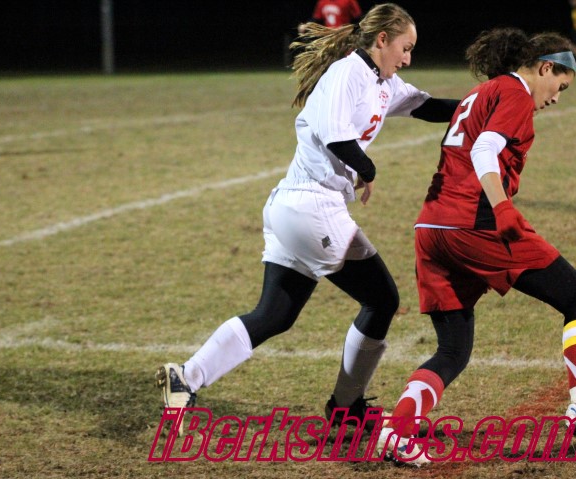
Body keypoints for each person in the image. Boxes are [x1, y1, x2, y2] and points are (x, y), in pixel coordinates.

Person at [156, 3, 459, 435]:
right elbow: (334, 136)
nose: (408, 59)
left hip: (296, 210)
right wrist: (367, 170)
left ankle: (186, 377)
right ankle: (346, 408)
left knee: (274, 314)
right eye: (405, 48)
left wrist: (482, 104)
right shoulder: (347, 73)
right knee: (381, 300)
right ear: (382, 40)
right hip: (312, 208)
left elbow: (426, 105)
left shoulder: (382, 82)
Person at [376, 27, 576, 464]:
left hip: (431, 228)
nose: (556, 98)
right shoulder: (514, 92)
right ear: (544, 68)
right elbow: (484, 149)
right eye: (560, 86)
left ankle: (396, 433)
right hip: (475, 225)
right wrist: (503, 208)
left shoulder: (482, 92)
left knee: (453, 350)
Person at [298, 0, 363, 34]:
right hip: (328, 36)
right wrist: (306, 25)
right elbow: (316, 19)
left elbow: (358, 18)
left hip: (344, 35)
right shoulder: (322, 2)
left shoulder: (349, 1)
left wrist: (351, 30)